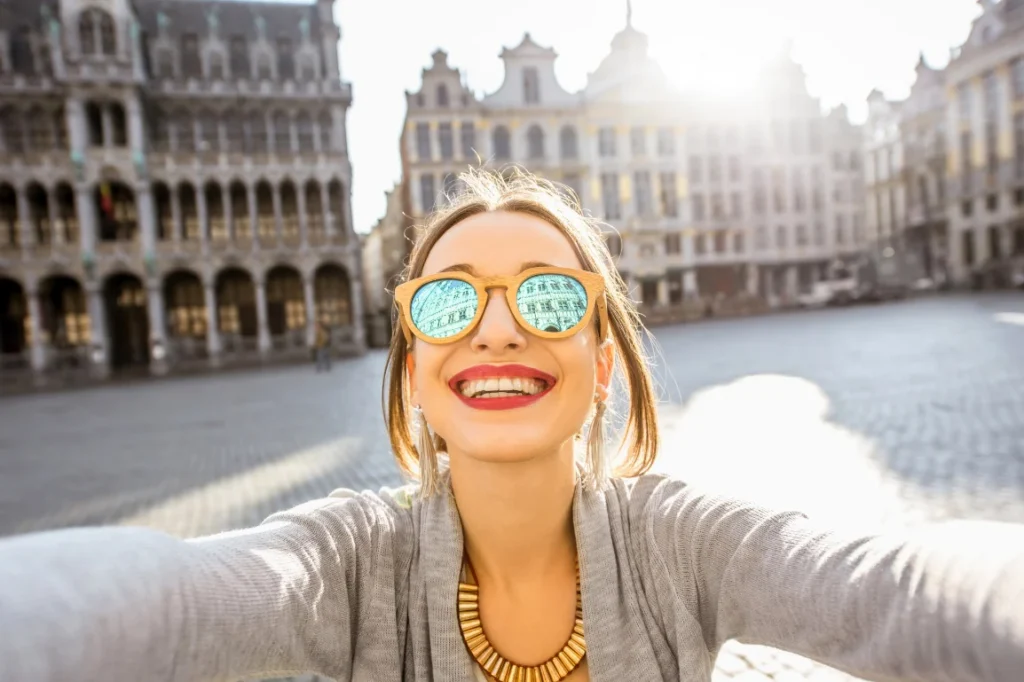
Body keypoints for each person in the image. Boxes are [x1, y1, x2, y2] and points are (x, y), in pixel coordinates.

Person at [1, 169, 1023, 682]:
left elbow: (896, 587)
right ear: (412, 375)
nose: (495, 329)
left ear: (606, 361)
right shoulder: (354, 562)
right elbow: (165, 596)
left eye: (547, 299)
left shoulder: (683, 544)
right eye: (448, 304)